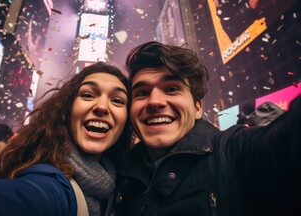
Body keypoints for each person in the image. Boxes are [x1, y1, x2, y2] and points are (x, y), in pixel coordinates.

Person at [114, 41, 301, 216]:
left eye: (171, 89)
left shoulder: (233, 151)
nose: (154, 101)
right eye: (142, 93)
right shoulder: (120, 176)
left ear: (197, 108)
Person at [0, 62, 132, 216]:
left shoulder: (118, 182)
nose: (102, 107)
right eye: (88, 95)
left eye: (117, 100)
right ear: (66, 111)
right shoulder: (50, 183)